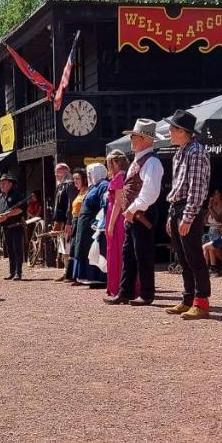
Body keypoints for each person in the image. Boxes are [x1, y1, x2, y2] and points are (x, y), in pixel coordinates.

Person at [106, 119, 164, 306]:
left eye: (134, 136)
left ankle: (146, 294)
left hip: (142, 213)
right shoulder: (138, 160)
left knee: (143, 254)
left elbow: (150, 192)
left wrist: (131, 210)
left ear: (145, 139)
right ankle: (125, 291)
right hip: (134, 214)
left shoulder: (152, 162)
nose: (131, 139)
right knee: (129, 254)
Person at [163, 109, 213, 319]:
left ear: (183, 131)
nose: (169, 132)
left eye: (172, 129)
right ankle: (188, 298)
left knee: (193, 256)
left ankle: (201, 301)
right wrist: (171, 214)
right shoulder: (181, 152)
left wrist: (188, 215)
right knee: (183, 257)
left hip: (187, 207)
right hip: (177, 206)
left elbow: (197, 189)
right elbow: (178, 187)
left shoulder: (196, 152)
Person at [73, 163, 110, 287]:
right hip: (85, 225)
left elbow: (104, 205)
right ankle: (85, 276)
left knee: (93, 250)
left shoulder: (103, 185)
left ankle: (98, 277)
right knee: (83, 249)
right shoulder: (94, 186)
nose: (88, 176)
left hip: (93, 225)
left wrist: (99, 222)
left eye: (90, 174)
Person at [102, 150, 130, 297]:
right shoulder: (124, 176)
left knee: (116, 251)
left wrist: (111, 225)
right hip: (115, 215)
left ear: (114, 163)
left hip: (116, 218)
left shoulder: (119, 177)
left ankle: (116, 285)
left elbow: (118, 203)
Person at [0, 173, 27, 280]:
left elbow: (20, 209)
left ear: (10, 184)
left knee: (17, 250)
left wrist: (7, 215)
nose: (2, 185)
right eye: (1, 183)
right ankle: (12, 272)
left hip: (16, 226)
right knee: (9, 250)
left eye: (4, 183)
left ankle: (18, 273)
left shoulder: (17, 195)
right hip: (5, 227)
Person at [60, 169, 89, 283]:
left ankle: (79, 275)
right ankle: (72, 275)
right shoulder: (79, 192)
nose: (75, 181)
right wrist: (69, 222)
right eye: (74, 179)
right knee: (73, 248)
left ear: (84, 180)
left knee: (78, 248)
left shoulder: (87, 192)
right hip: (75, 221)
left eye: (78, 178)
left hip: (82, 220)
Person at [51, 163, 77, 277]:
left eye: (58, 171)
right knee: (63, 247)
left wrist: (69, 221)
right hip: (60, 221)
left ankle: (69, 272)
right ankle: (65, 271)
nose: (56, 174)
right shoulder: (60, 186)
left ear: (65, 172)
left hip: (66, 222)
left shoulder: (70, 185)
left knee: (68, 247)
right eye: (56, 171)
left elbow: (71, 205)